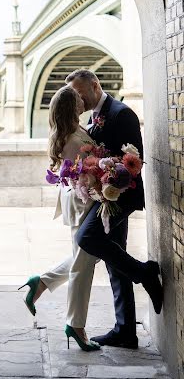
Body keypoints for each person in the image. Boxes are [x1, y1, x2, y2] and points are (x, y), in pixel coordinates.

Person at [66, 69, 163, 349]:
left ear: (95, 85)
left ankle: (145, 273)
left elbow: (133, 159)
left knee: (86, 238)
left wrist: (108, 178)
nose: (79, 100)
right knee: (114, 260)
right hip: (107, 198)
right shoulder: (94, 117)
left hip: (122, 197)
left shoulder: (122, 113)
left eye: (81, 94)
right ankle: (125, 332)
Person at [18, 85, 100, 351]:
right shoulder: (74, 139)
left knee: (86, 256)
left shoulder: (71, 132)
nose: (82, 100)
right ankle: (75, 325)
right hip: (82, 200)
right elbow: (89, 170)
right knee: (84, 263)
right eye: (78, 98)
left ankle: (41, 283)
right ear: (71, 106)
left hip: (79, 199)